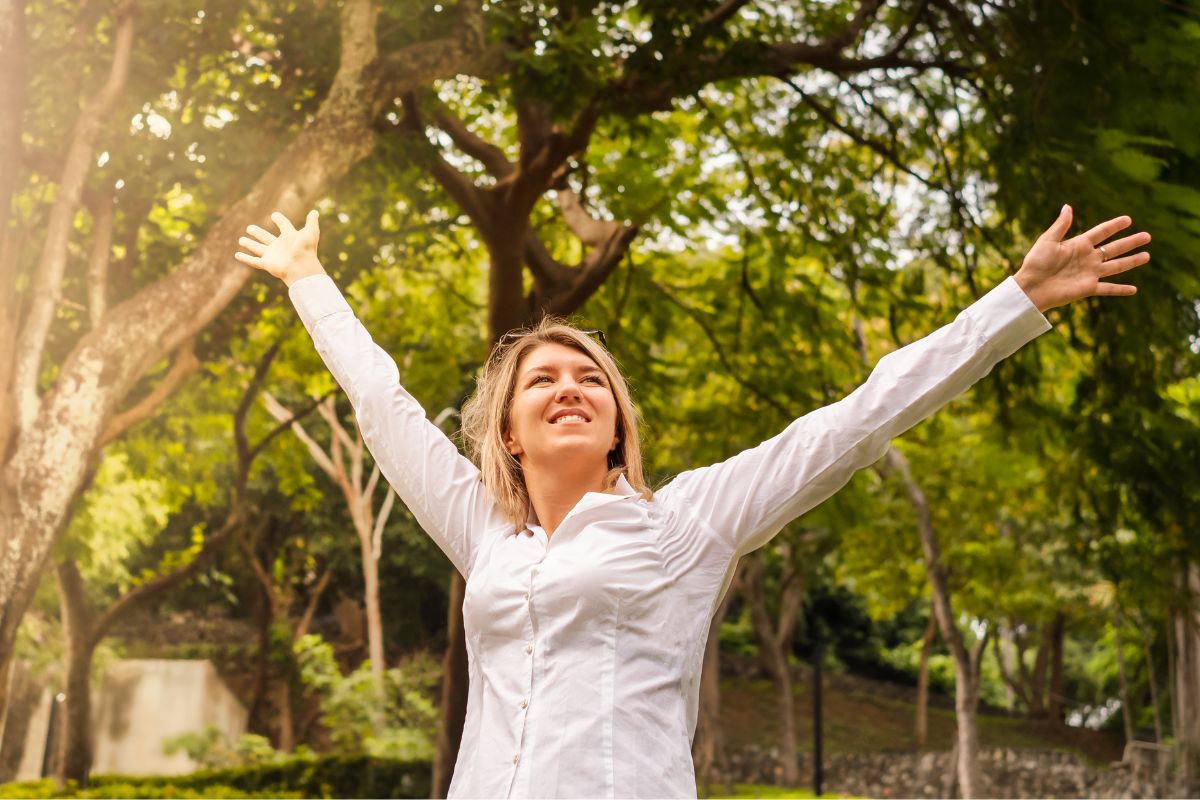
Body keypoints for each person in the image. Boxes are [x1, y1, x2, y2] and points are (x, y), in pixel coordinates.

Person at [235, 204, 1149, 798]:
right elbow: (383, 409)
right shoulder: (487, 533)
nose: (569, 387)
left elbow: (854, 422)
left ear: (617, 423)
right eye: (541, 379)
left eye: (590, 379)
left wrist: (1013, 303)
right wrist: (308, 278)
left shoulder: (682, 525)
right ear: (507, 432)